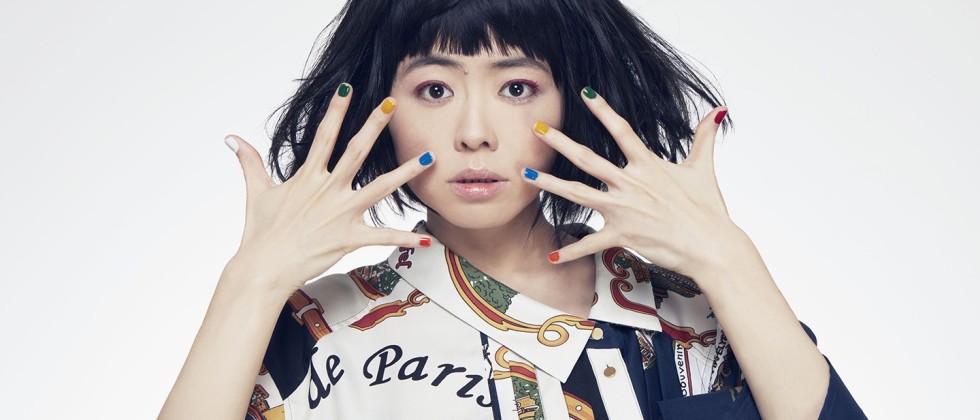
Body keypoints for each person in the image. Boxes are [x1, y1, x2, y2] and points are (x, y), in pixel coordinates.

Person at [160, 0, 865, 418]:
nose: (475, 132)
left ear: (572, 103)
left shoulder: (688, 313)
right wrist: (250, 281)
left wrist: (728, 258)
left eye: (518, 88)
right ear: (384, 109)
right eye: (435, 90)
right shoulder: (318, 331)